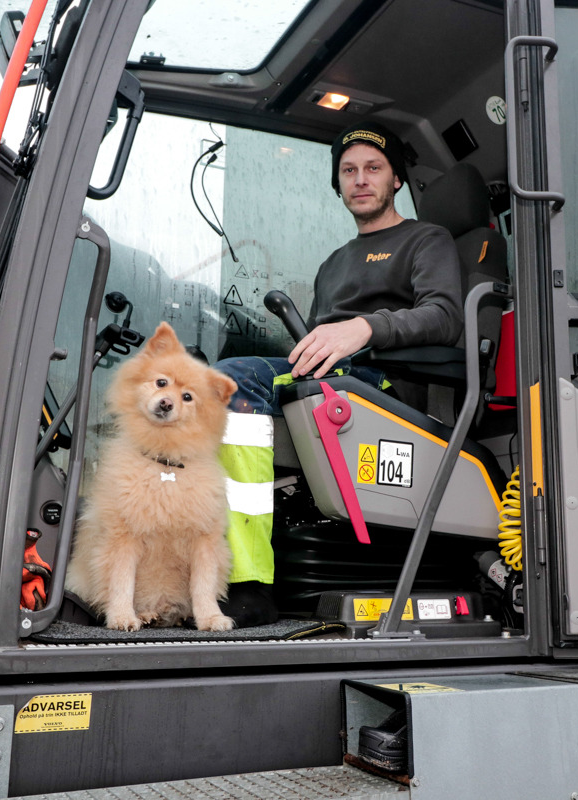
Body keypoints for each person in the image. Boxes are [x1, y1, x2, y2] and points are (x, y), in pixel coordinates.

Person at [215, 121, 464, 626]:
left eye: (374, 168)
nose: (360, 179)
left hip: (384, 383)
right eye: (348, 171)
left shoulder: (425, 240)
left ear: (396, 179)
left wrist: (363, 329)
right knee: (208, 384)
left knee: (233, 381)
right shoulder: (333, 263)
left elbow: (445, 315)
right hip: (331, 380)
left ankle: (250, 582)